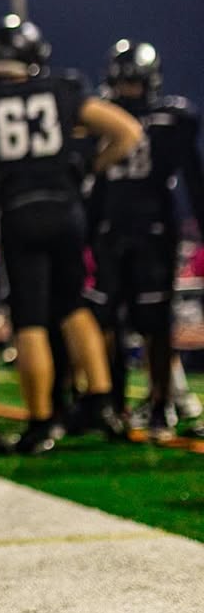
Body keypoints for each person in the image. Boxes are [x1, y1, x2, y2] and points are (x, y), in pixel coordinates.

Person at [0, 16, 142, 455]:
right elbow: (128, 133)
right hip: (65, 207)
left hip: (18, 212)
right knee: (74, 305)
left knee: (30, 320)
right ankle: (101, 401)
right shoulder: (61, 89)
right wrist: (90, 169)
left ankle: (42, 420)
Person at [86, 40, 204, 440]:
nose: (128, 91)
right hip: (114, 231)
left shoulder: (169, 119)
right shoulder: (102, 117)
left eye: (134, 83)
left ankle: (160, 403)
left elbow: (192, 177)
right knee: (109, 320)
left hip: (152, 231)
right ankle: (115, 404)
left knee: (154, 322)